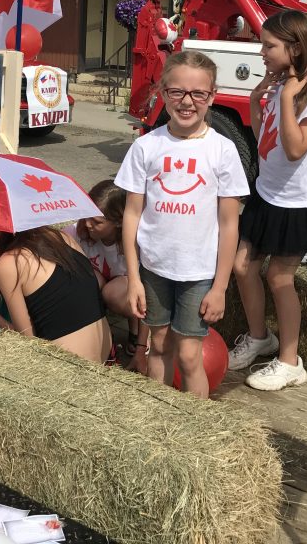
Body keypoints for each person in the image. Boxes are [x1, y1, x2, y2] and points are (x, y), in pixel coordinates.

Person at [116, 49, 249, 398]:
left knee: (190, 356)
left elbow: (229, 224)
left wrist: (220, 286)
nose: (187, 101)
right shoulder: (146, 147)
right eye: (177, 92)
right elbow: (131, 215)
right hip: (154, 268)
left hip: (199, 273)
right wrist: (133, 278)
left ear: (212, 97)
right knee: (157, 345)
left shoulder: (222, 150)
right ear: (162, 92)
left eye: (198, 94)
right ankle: (157, 415)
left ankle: (194, 430)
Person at [228, 10, 307, 391]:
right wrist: (255, 105)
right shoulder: (279, 85)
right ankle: (260, 337)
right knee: (242, 267)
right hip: (268, 194)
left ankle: (291, 362)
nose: (261, 52)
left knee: (279, 277)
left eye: (268, 45)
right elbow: (267, 143)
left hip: (301, 203)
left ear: (295, 48)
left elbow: (295, 150)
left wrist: (289, 99)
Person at [0, 226, 112, 364]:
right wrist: (0, 284)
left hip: (69, 368)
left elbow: (27, 340)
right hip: (106, 354)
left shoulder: (9, 262)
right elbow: (61, 291)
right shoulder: (63, 237)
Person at [74, 180, 149, 374]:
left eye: (97, 222)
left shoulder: (135, 244)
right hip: (104, 285)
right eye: (86, 216)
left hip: (124, 292)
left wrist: (141, 348)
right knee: (88, 279)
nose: (88, 224)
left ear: (118, 221)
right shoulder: (78, 231)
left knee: (116, 291)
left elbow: (146, 291)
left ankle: (139, 334)